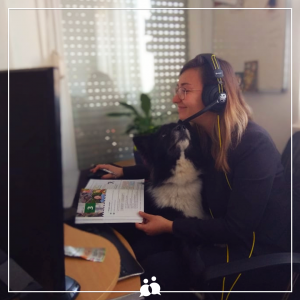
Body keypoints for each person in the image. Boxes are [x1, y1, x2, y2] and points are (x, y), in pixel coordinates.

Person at [90, 54, 291, 298]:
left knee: (155, 268)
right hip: (222, 233)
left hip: (254, 252)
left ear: (215, 97)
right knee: (143, 250)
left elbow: (237, 229)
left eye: (185, 90)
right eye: (177, 89)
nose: (176, 98)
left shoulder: (253, 145)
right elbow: (178, 165)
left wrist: (171, 226)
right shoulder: (205, 134)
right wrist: (124, 172)